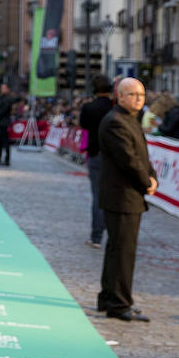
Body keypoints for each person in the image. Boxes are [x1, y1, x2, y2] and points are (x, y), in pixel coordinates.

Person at [97, 78, 157, 322]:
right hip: (122, 195)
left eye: (141, 95)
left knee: (117, 249)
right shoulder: (115, 122)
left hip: (127, 195)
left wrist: (151, 177)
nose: (138, 99)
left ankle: (110, 297)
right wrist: (147, 181)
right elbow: (129, 160)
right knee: (122, 252)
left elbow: (142, 154)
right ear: (119, 96)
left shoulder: (128, 119)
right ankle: (119, 303)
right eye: (133, 94)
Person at [79, 76, 114, 249]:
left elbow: (83, 125)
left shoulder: (89, 107)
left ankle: (96, 236)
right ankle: (112, 233)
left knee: (97, 195)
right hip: (114, 156)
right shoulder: (114, 107)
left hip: (96, 154)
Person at [0, 84, 14, 166]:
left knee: (5, 142)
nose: (2, 89)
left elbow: (3, 110)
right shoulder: (1, 98)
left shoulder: (8, 99)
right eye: (1, 88)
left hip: (4, 123)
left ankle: (7, 159)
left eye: (3, 88)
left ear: (8, 89)